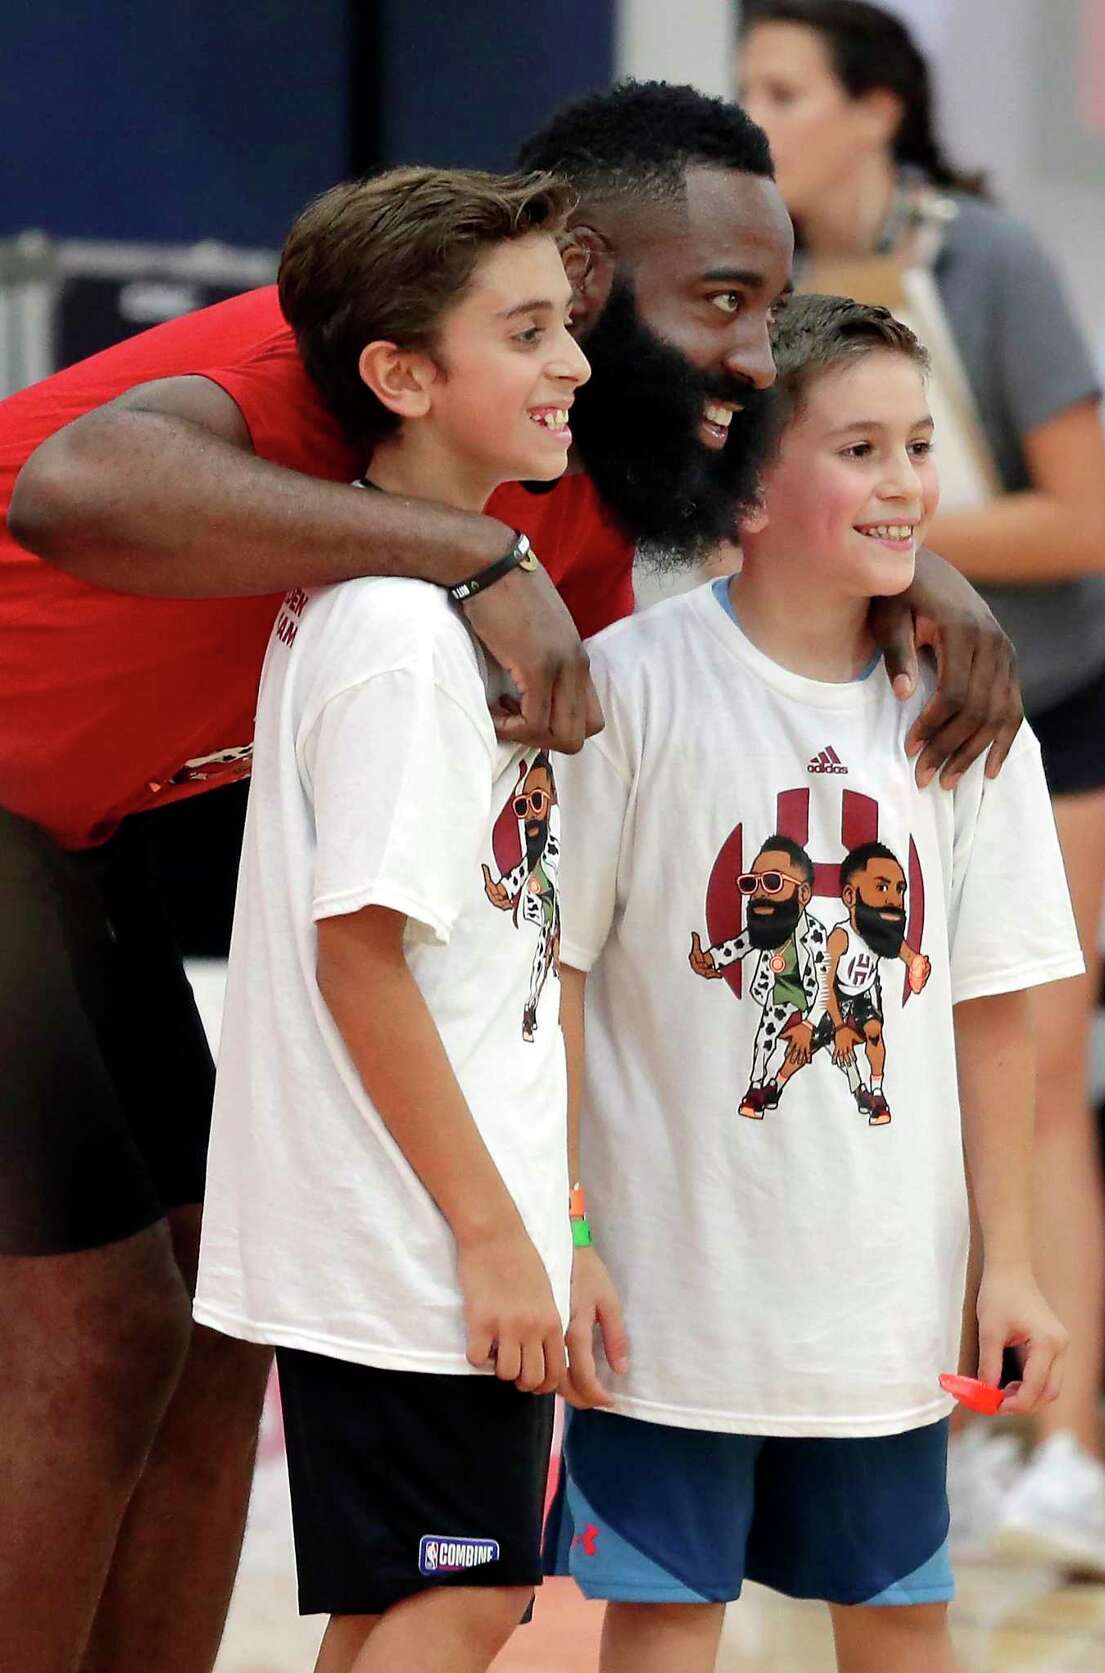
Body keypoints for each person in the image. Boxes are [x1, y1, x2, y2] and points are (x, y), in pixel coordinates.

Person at [0, 79, 1021, 1672]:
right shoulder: (350, 374)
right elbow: (69, 489)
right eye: (727, 304)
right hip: (20, 813)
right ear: (578, 292)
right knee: (103, 1330)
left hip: (86, 829)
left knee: (210, 1329)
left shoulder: (588, 461)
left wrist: (918, 562)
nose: (755, 356)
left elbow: (794, 460)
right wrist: (466, 558)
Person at [546, 294, 1076, 1673]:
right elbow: (560, 981)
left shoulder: (966, 713)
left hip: (882, 1304)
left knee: (903, 1620)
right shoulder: (630, 686)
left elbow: (996, 1002)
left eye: (918, 444)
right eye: (860, 447)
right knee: (665, 1617)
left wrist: (1004, 1259)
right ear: (749, 480)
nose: (905, 481)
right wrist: (576, 1233)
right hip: (670, 1294)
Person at [738, 1, 1105, 1576]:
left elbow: (1088, 523)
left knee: (1032, 1065)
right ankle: (915, 1415)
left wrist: (903, 528)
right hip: (848, 717)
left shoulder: (991, 259)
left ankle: (1069, 1448)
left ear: (880, 109)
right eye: (743, 88)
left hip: (1041, 707)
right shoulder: (750, 291)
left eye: (784, 89)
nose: (754, 117)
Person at [193, 163, 592, 1673]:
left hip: (421, 1219)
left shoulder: (399, 587)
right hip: (417, 1235)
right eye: (530, 330)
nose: (574, 363)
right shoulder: (400, 634)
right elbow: (356, 950)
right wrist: (496, 1239)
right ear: (403, 374)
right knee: (467, 1591)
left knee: (406, 1598)